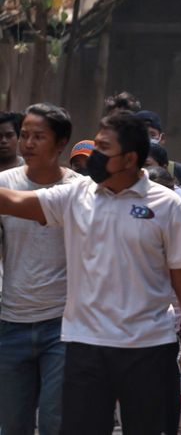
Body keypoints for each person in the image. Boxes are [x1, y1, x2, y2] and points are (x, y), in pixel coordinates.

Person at [0, 110, 181, 434]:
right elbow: (15, 200)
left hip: (149, 347)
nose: (94, 155)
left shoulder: (167, 205)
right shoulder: (75, 196)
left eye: (103, 149)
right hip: (85, 346)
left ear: (129, 159)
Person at [0, 104, 81, 435]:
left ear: (61, 143)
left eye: (38, 137)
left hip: (62, 325)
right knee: (13, 425)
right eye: (24, 136)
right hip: (10, 323)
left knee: (54, 421)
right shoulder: (5, 183)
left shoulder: (81, 190)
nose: (27, 144)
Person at [136, 110, 181, 198]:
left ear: (162, 138)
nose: (146, 139)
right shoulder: (124, 169)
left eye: (152, 134)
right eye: (141, 134)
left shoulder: (176, 170)